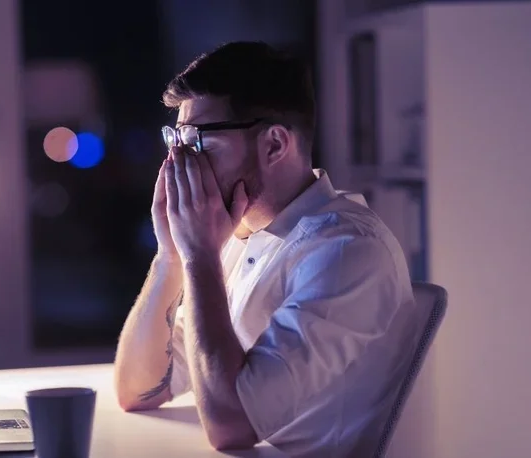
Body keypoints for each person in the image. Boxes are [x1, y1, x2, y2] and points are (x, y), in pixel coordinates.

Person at [113, 41, 418, 457]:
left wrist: (199, 258)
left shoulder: (347, 253)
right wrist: (171, 254)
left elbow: (231, 428)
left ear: (274, 145)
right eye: (177, 142)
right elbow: (138, 389)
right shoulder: (236, 234)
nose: (181, 164)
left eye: (199, 143)